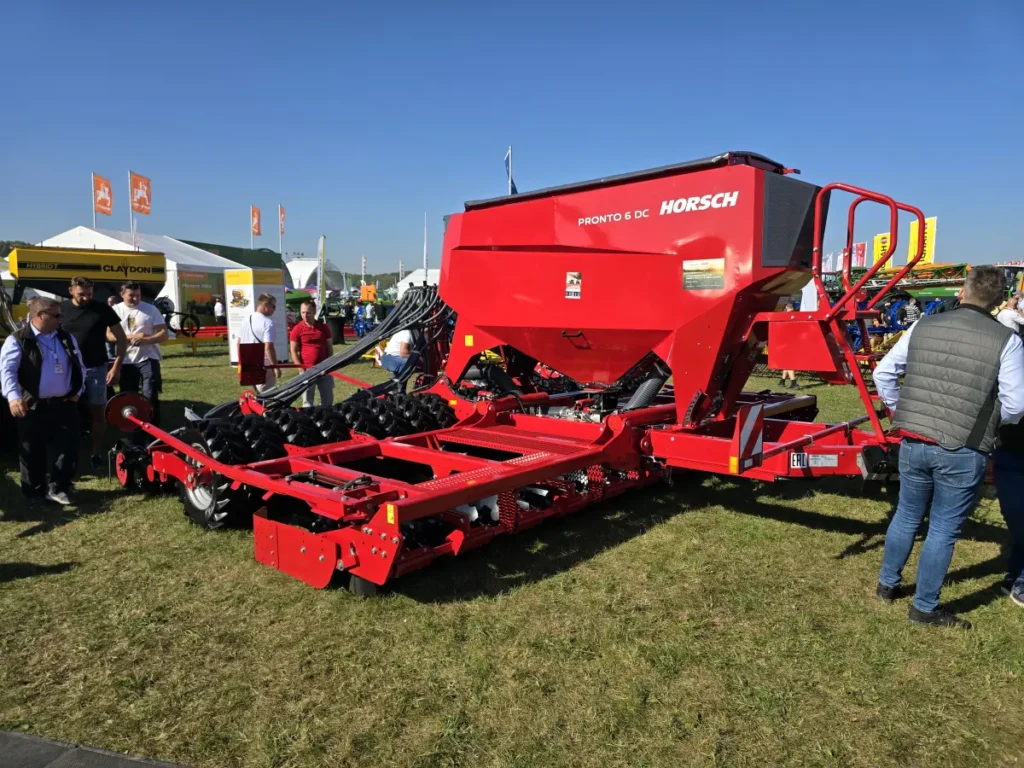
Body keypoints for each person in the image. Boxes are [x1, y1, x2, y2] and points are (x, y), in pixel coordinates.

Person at [873, 266, 1024, 628]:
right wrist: (991, 423)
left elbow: (883, 374)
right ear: (1000, 300)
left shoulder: (922, 325)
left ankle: (887, 584)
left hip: (914, 438)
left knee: (907, 514)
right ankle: (924, 607)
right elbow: (1017, 404)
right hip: (965, 446)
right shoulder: (1007, 340)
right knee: (942, 528)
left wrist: (900, 410)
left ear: (962, 290)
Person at [0, 296, 87, 505]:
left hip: (65, 403)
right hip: (33, 405)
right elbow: (7, 372)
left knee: (69, 446)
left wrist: (78, 390)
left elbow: (80, 366)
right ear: (40, 316)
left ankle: (59, 486)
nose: (61, 319)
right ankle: (34, 492)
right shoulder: (18, 339)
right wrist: (13, 397)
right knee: (32, 449)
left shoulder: (65, 338)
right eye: (56, 315)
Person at [61, 277, 129, 470]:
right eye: (81, 294)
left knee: (98, 412)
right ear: (71, 290)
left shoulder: (102, 309)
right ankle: (67, 453)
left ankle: (96, 452)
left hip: (96, 369)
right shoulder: (61, 310)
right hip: (68, 370)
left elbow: (122, 339)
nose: (85, 298)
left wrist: (116, 366)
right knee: (65, 413)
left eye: (89, 294)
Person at [113, 281, 168, 426]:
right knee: (128, 396)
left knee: (149, 395)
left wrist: (147, 339)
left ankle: (153, 428)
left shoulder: (150, 309)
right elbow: (108, 335)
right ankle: (131, 426)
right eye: (131, 296)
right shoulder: (116, 310)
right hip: (126, 360)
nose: (136, 299)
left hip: (148, 358)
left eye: (138, 295)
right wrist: (126, 338)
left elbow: (163, 333)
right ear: (122, 294)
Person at [289, 300, 334, 407]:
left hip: (324, 369)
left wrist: (329, 365)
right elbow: (293, 350)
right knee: (307, 402)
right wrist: (301, 369)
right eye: (303, 312)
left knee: (328, 400)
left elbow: (329, 347)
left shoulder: (323, 328)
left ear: (314, 312)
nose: (305, 315)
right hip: (306, 370)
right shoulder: (297, 329)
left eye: (308, 312)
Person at [238, 293, 279, 394]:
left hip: (247, 363)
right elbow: (268, 348)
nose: (274, 309)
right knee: (267, 397)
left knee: (255, 396)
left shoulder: (245, 320)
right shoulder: (268, 323)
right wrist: (275, 367)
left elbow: (238, 343)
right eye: (273, 306)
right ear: (266, 305)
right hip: (263, 364)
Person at [778, 302, 798, 389]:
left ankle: (794, 383)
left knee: (788, 362)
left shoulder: (786, 316)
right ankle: (782, 381)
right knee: (786, 362)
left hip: (786, 342)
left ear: (786, 307)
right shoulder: (798, 315)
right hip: (795, 341)